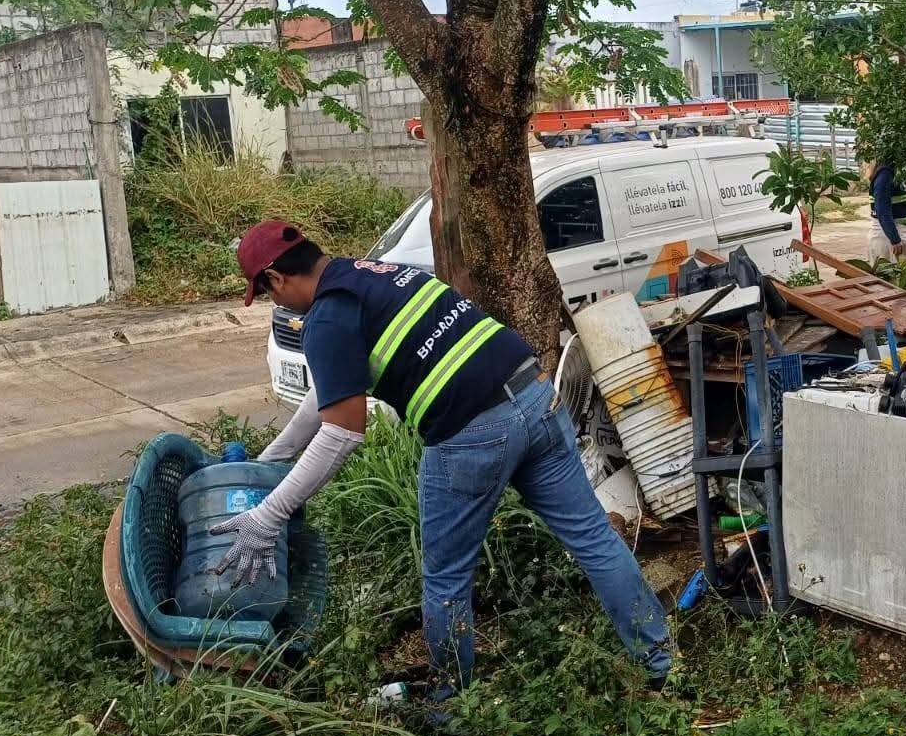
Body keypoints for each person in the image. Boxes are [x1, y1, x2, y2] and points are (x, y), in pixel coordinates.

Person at [223, 221, 672, 693]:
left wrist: (268, 516)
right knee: (593, 537)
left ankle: (451, 703)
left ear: (275, 279)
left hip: (472, 433)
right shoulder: (376, 274)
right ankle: (662, 662)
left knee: (446, 580)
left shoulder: (327, 318)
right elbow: (329, 392)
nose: (275, 303)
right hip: (537, 395)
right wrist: (274, 457)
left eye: (267, 294)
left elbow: (341, 434)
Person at [868, 160, 906, 264]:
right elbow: (882, 210)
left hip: (893, 234)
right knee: (893, 272)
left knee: (901, 271)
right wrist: (895, 240)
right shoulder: (885, 175)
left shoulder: (893, 173)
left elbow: (900, 206)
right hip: (889, 236)